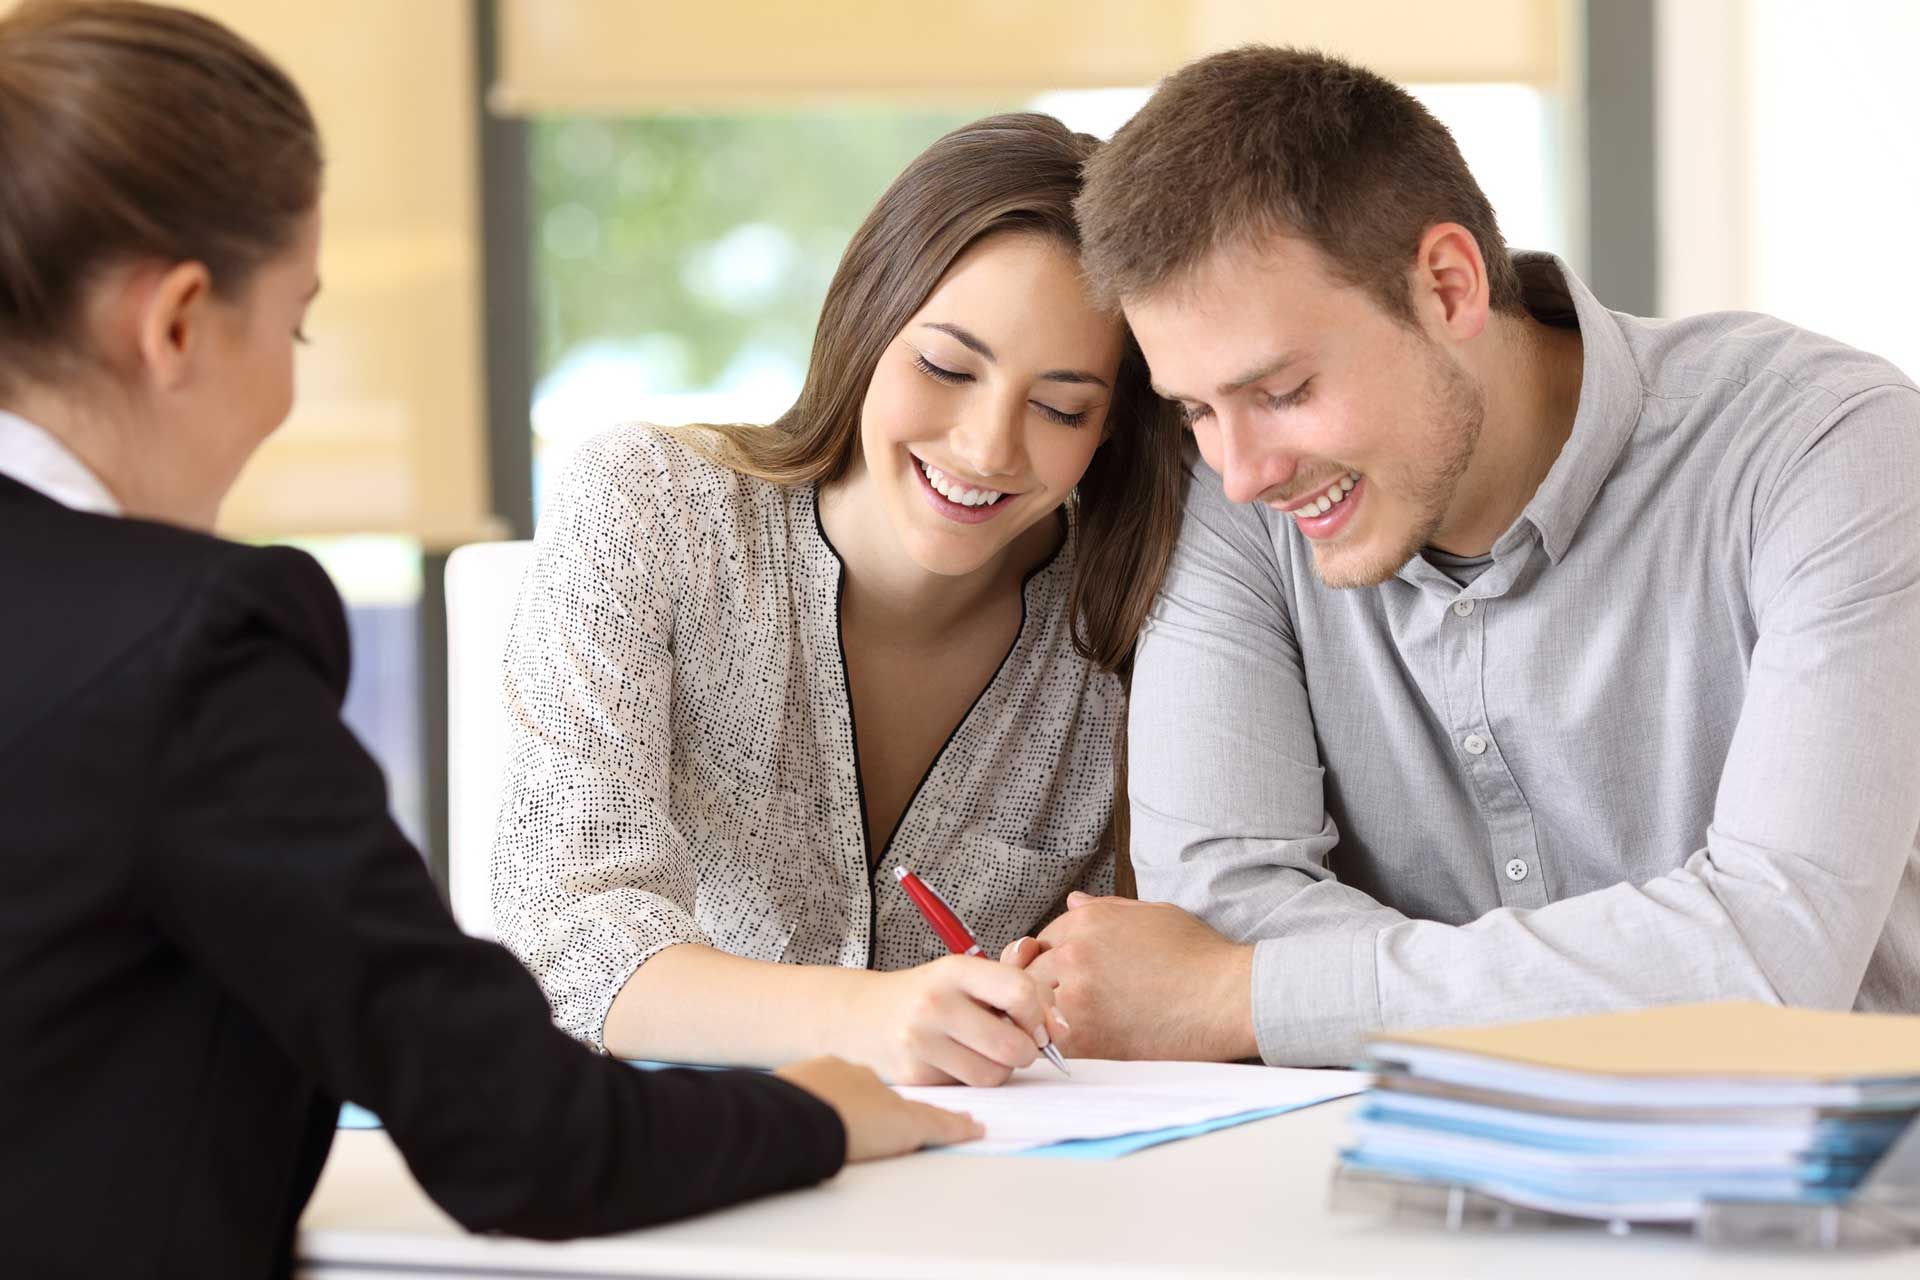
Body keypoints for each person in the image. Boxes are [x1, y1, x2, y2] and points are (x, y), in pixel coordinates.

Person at [0, 5, 978, 1277]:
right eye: (294, 324)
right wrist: (822, 1108)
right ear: (178, 321)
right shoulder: (187, 649)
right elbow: (524, 1133)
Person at [1020, 45, 1920, 1067]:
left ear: (1448, 285)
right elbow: (1216, 909)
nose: (1242, 470)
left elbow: (1773, 957)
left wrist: (1246, 995)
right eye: (1195, 408)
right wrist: (1633, 975)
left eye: (1282, 390)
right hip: (1397, 1188)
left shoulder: (1828, 447)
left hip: (1832, 1187)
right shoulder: (1238, 501)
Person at [492, 113, 1184, 1085]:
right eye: (946, 366)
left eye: (1060, 405)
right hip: (682, 1166)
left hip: (988, 1191)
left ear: (1111, 428)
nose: (988, 447)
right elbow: (565, 936)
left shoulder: (1135, 623)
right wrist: (867, 1013)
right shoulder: (649, 504)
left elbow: (1150, 978)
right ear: (867, 323)